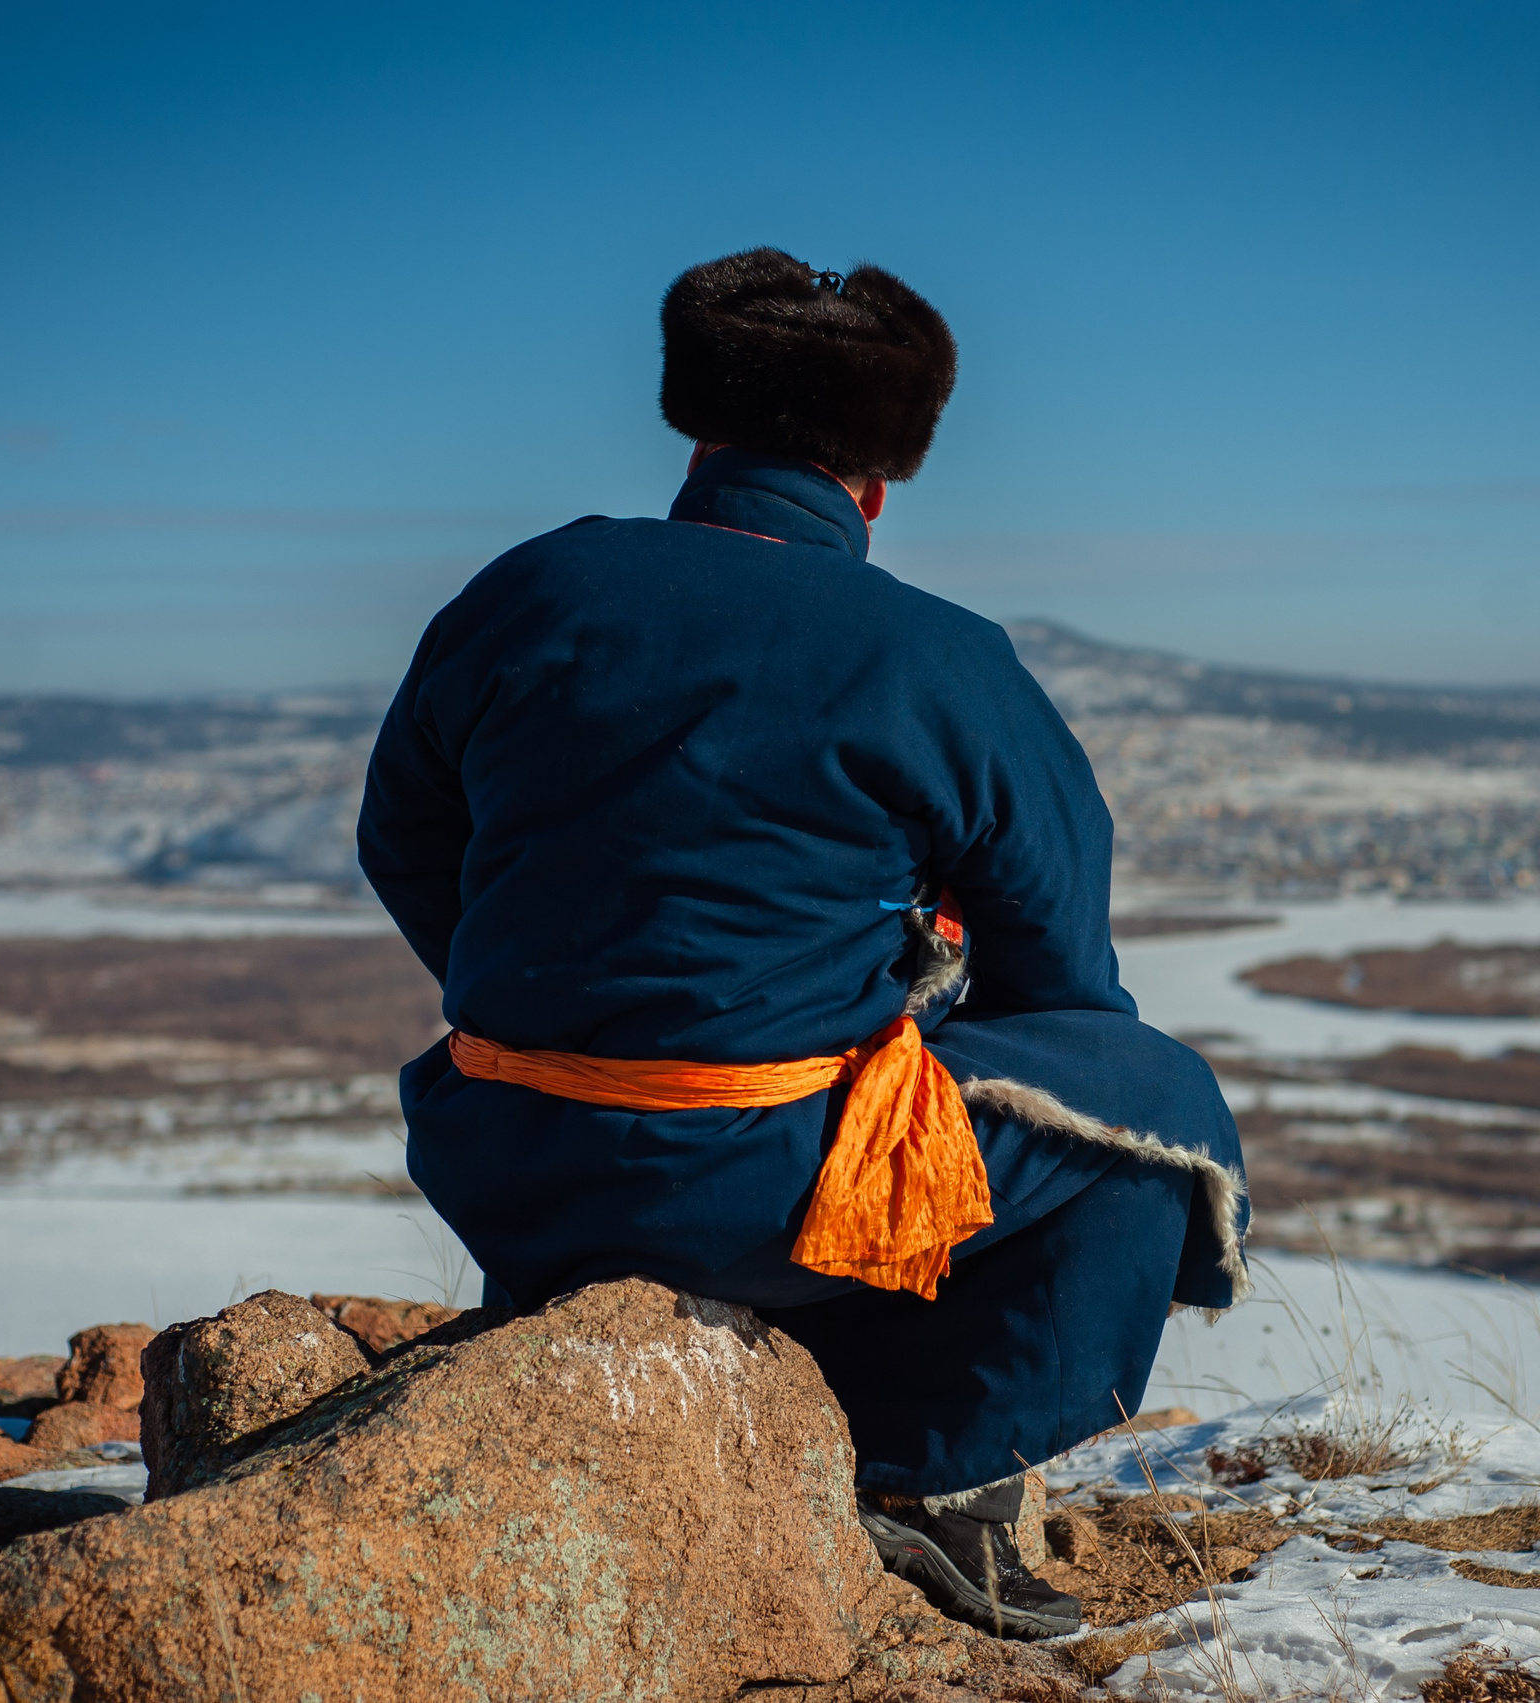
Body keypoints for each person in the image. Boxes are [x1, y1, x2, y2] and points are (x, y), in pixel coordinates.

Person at [359, 247, 1249, 1639]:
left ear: (699, 435)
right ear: (880, 485)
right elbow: (1063, 976)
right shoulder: (940, 660)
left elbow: (404, 844)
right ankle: (937, 1481)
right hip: (748, 1190)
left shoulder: (522, 592)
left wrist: (586, 1021)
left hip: (499, 1152)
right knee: (1156, 1105)